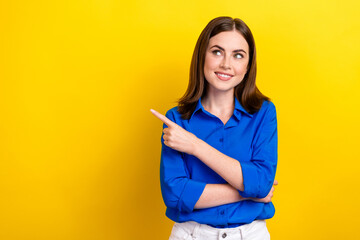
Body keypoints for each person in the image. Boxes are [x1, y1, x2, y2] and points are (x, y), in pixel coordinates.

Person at [151, 16, 278, 240]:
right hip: (190, 235)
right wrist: (248, 193)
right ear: (202, 56)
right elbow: (175, 195)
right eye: (217, 52)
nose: (226, 64)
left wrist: (195, 145)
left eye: (238, 55)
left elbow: (262, 181)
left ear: (247, 66)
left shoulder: (263, 113)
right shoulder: (176, 120)